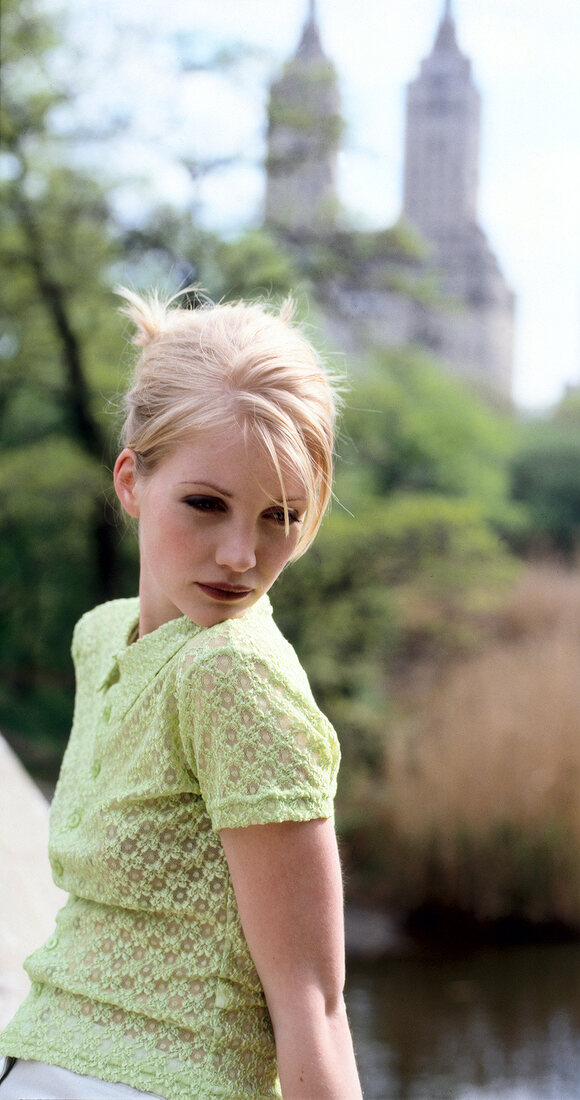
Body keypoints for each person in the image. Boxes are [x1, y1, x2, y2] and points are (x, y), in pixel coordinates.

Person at [0, 289, 362, 1100]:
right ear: (131, 481)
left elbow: (314, 1004)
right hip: (36, 1062)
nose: (241, 552)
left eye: (282, 515)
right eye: (206, 504)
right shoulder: (103, 637)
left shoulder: (234, 676)